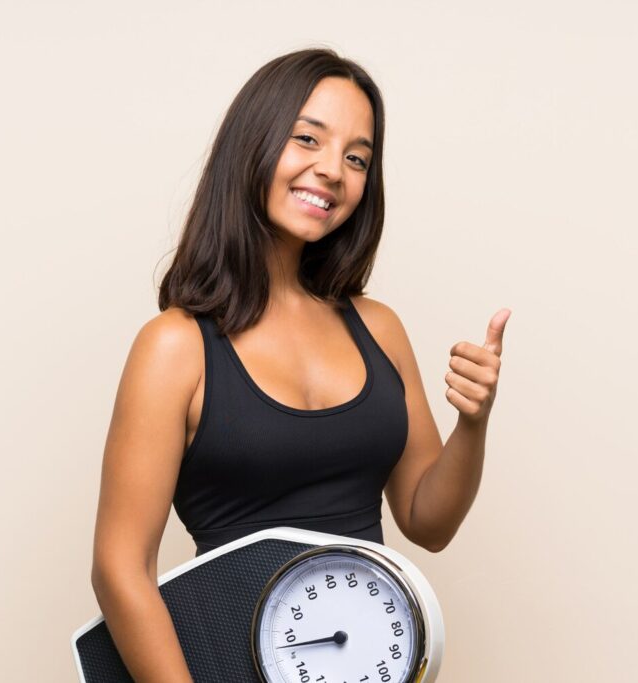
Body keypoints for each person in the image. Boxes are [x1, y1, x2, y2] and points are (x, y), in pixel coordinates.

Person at [89, 47, 510, 682]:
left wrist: (473, 424)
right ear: (252, 144)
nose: (332, 170)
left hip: (373, 664)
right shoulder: (175, 347)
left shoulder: (378, 328)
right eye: (307, 138)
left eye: (357, 157)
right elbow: (119, 569)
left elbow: (429, 521)